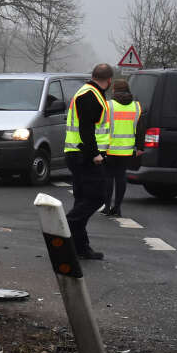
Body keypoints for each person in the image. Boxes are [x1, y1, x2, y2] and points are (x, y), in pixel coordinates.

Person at [64, 63, 113, 260]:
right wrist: (95, 154)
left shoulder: (88, 92)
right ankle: (66, 227)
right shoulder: (90, 96)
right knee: (97, 197)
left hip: (78, 154)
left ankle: (80, 247)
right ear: (109, 81)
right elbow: (86, 129)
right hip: (84, 156)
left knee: (83, 198)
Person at [102, 79, 144, 217]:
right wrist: (140, 147)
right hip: (127, 149)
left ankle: (107, 206)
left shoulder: (108, 106)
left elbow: (101, 127)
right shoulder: (136, 106)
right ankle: (117, 208)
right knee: (121, 177)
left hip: (110, 148)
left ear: (114, 90)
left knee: (108, 177)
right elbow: (140, 128)